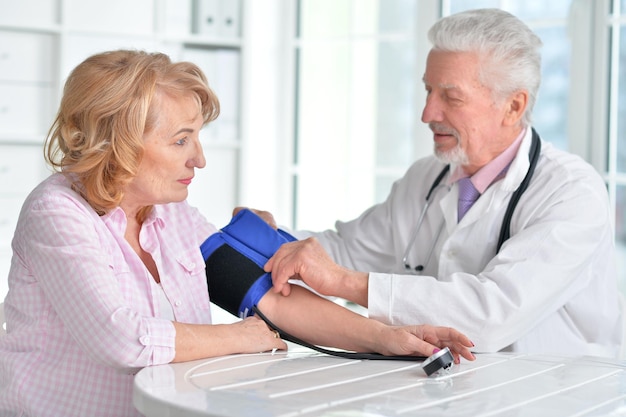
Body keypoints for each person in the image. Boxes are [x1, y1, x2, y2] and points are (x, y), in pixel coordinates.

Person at [0, 50, 474, 417]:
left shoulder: (172, 215)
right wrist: (239, 337)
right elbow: (124, 340)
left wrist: (386, 337)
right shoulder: (58, 214)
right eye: (181, 139)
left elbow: (271, 299)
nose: (199, 159)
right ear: (119, 142)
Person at [254, 8, 622, 358]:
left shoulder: (571, 194)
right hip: (460, 391)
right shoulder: (426, 178)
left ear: (513, 106)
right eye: (428, 90)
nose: (427, 113)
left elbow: (490, 315)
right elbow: (346, 251)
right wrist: (268, 239)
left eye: (451, 97)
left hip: (560, 396)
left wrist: (346, 283)